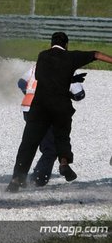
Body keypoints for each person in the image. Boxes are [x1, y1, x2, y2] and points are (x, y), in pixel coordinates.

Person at [7, 32, 112, 192]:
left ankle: (16, 179)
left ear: (51, 44)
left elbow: (48, 77)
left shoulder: (42, 56)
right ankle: (63, 163)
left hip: (39, 106)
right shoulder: (71, 57)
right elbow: (96, 54)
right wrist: (72, 80)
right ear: (66, 45)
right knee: (62, 137)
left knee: (28, 143)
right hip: (60, 106)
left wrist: (69, 78)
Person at [17, 64, 86, 187]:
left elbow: (21, 82)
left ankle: (17, 178)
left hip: (27, 108)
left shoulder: (38, 64)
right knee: (52, 148)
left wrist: (30, 94)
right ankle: (38, 179)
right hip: (46, 110)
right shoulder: (67, 64)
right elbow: (79, 94)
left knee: (29, 144)